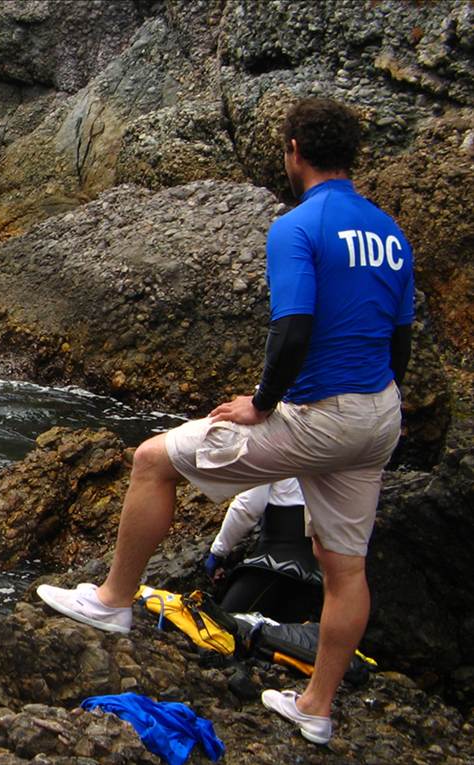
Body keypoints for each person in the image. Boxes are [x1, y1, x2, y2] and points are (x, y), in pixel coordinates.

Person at [35, 98, 413, 746]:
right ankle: (316, 706)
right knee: (345, 567)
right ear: (352, 156)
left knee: (152, 459)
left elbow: (292, 330)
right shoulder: (390, 233)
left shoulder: (298, 226)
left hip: (320, 414)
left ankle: (112, 601)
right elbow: (400, 342)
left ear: (293, 149)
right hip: (379, 413)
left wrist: (261, 405)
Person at [206, 478, 322, 623]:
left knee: (224, 629)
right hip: (316, 573)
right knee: (281, 640)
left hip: (275, 565)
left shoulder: (276, 455)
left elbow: (246, 507)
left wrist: (218, 553)